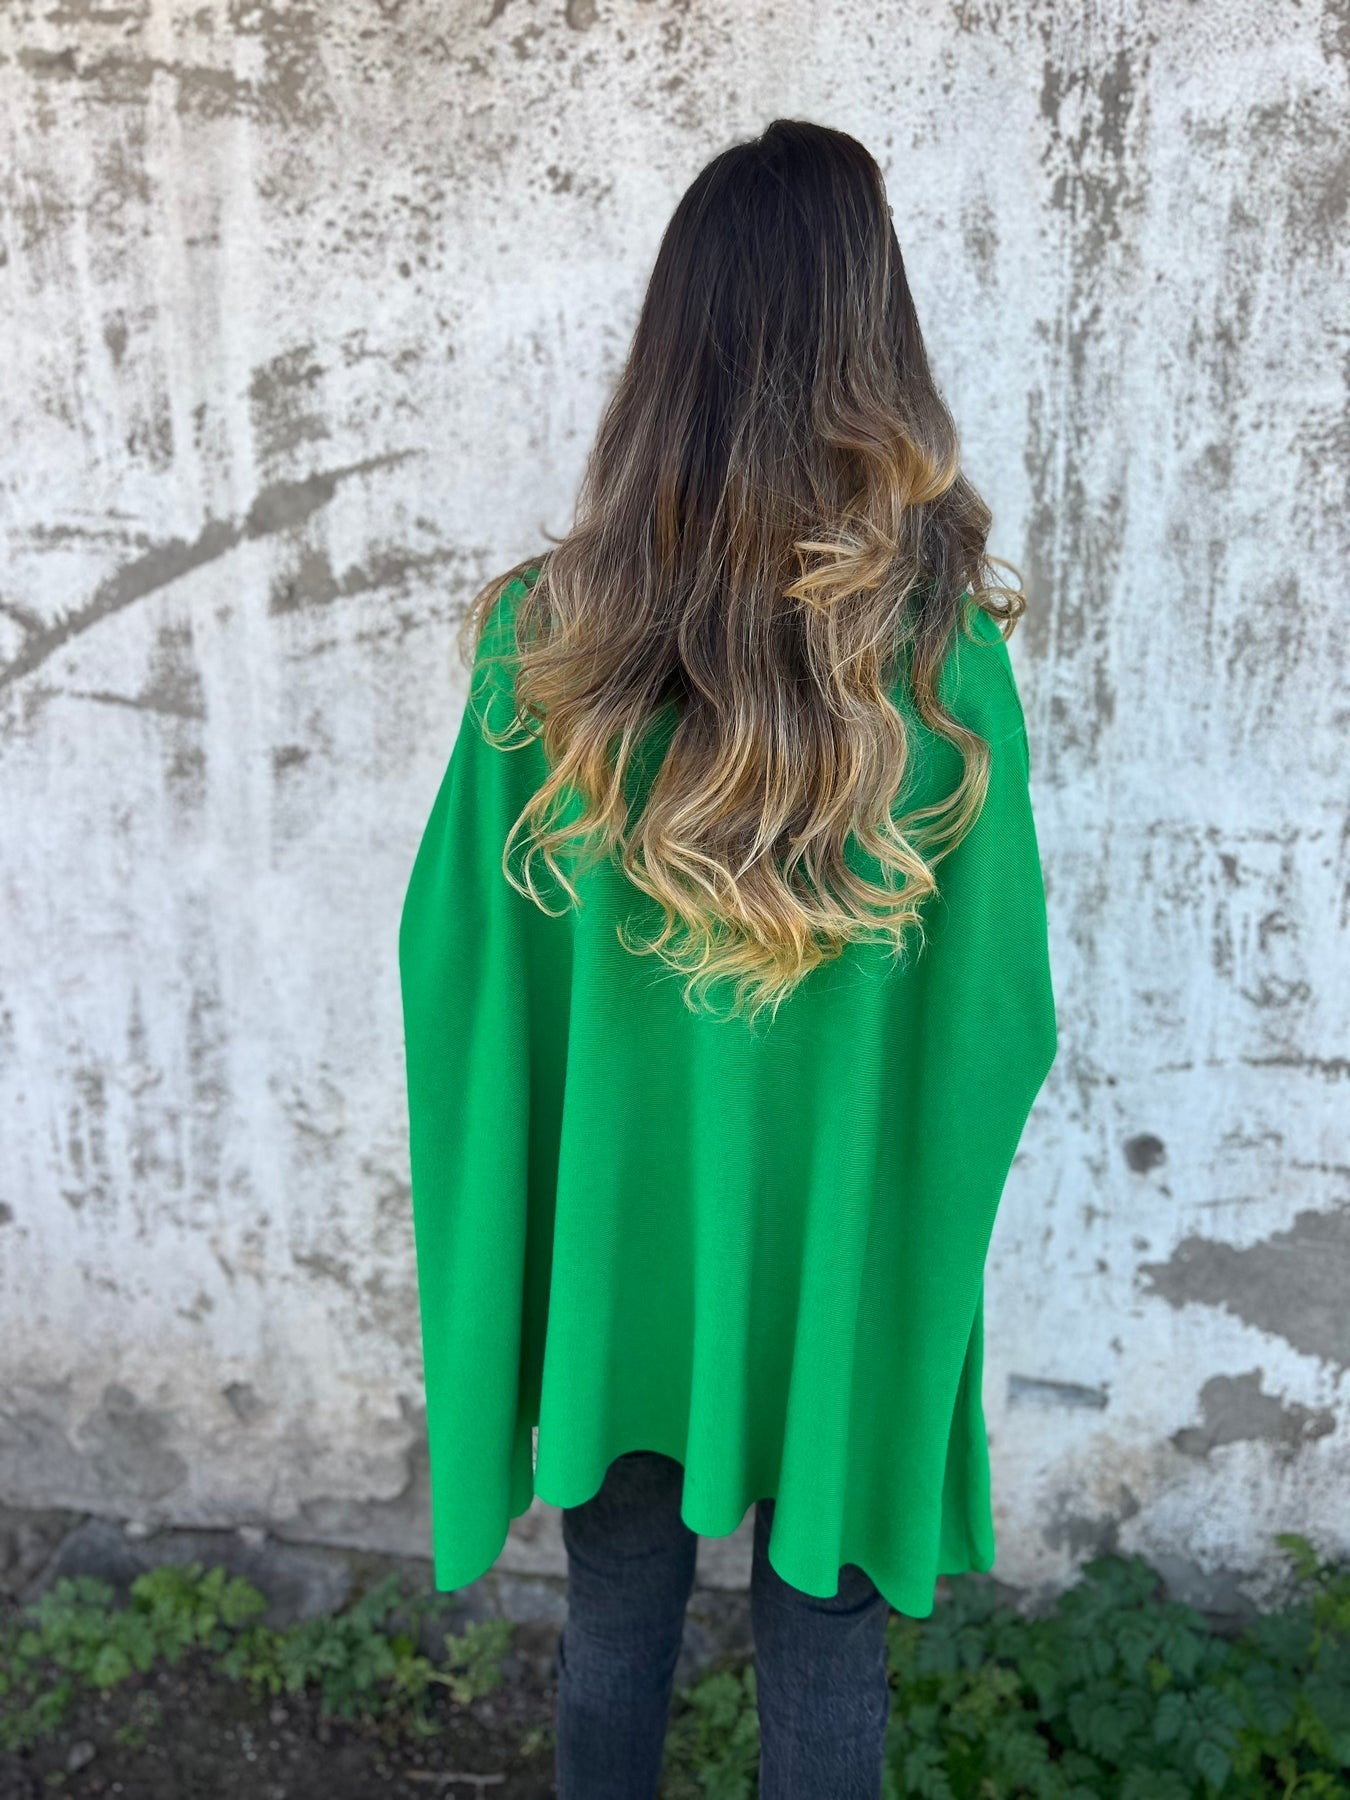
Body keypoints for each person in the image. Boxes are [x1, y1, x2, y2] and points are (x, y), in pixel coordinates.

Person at [399, 117, 1057, 1800]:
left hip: (620, 1255)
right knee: (823, 1636)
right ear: (872, 346)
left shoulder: (546, 646)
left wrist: (536, 1208)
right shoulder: (937, 667)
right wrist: (907, 1239)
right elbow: (999, 1015)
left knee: (615, 1610)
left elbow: (455, 965)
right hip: (837, 1259)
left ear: (669, 347)